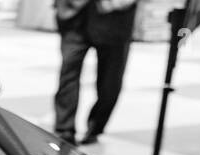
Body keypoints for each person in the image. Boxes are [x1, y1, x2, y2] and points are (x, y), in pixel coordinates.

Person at [52, 0, 139, 147]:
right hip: (74, 14)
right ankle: (64, 129)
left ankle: (95, 127)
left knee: (110, 80)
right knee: (68, 72)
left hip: (115, 16)